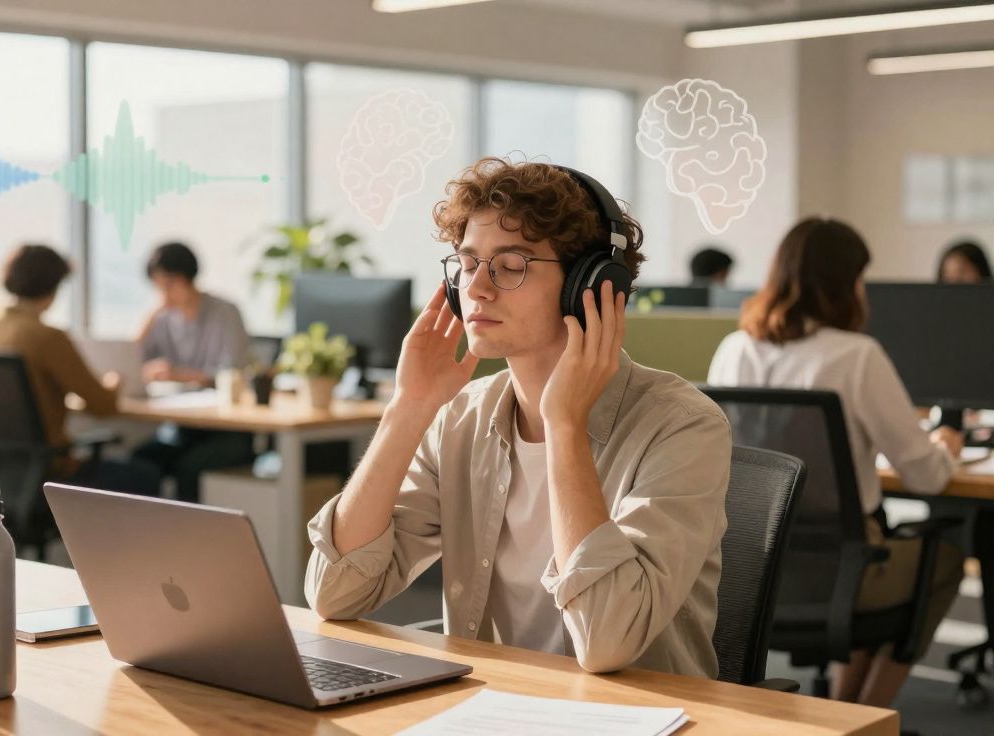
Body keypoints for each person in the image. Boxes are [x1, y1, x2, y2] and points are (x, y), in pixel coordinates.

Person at [305, 158, 732, 677]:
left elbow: (606, 640)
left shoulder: (681, 426)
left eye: (511, 267)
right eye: (467, 265)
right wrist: (408, 408)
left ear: (591, 285)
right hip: (491, 709)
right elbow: (334, 592)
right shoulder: (460, 418)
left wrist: (565, 426)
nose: (478, 289)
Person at [708, 217, 964, 707]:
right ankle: (867, 715)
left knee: (882, 559)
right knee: (942, 560)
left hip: (749, 569)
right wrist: (947, 445)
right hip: (845, 572)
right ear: (844, 282)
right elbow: (925, 476)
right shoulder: (857, 356)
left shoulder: (733, 350)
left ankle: (842, 715)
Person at [0, 244, 123, 479]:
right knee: (145, 474)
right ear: (52, 289)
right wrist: (114, 382)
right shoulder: (48, 337)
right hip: (48, 470)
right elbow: (103, 405)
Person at [129, 242, 254, 503]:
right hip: (183, 427)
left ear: (186, 279)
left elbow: (231, 372)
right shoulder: (164, 317)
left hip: (227, 431)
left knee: (189, 467)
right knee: (140, 462)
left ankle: (187, 541)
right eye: (158, 287)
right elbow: (131, 358)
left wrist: (176, 374)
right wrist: (152, 314)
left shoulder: (225, 312)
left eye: (168, 285)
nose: (163, 294)